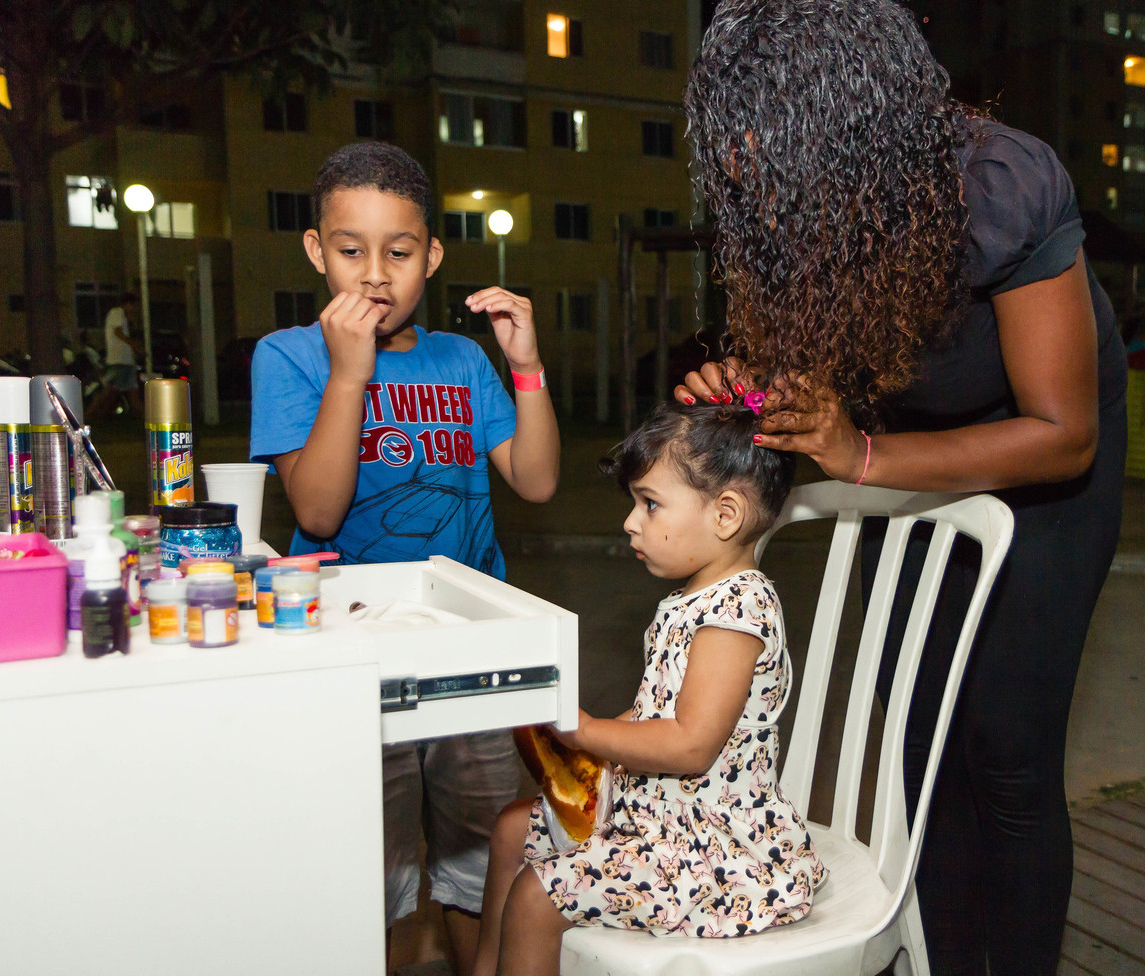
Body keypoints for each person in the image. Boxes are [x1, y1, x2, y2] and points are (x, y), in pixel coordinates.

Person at [678, 3, 1128, 975]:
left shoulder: (999, 183)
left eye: (770, 131)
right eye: (735, 133)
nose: (747, 162)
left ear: (852, 120)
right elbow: (801, 383)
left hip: (1040, 459)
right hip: (898, 447)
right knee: (924, 756)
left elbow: (1065, 435)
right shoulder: (785, 202)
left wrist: (865, 459)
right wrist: (744, 392)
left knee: (1006, 754)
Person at [248, 141, 560, 975]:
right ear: (317, 251)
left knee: (483, 865)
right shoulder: (288, 356)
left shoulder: (461, 361)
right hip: (351, 654)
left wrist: (524, 365)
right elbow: (317, 509)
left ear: (433, 254)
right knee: (368, 877)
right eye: (351, 250)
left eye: (400, 251)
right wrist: (349, 377)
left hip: (466, 650)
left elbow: (535, 480)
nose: (375, 274)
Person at [474, 401, 825, 976]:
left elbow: (690, 744)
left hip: (709, 845)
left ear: (726, 515)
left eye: (650, 503)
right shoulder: (692, 599)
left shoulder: (737, 610)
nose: (631, 522)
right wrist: (584, 746)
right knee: (513, 830)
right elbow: (657, 710)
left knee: (536, 898)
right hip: (653, 809)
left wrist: (586, 729)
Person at [89, 293, 143, 419]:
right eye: (134, 305)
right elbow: (118, 332)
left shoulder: (122, 316)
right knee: (109, 392)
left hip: (124, 361)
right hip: (119, 360)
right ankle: (89, 415)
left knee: (121, 392)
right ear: (128, 304)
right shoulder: (117, 313)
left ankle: (97, 416)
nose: (135, 309)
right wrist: (135, 346)